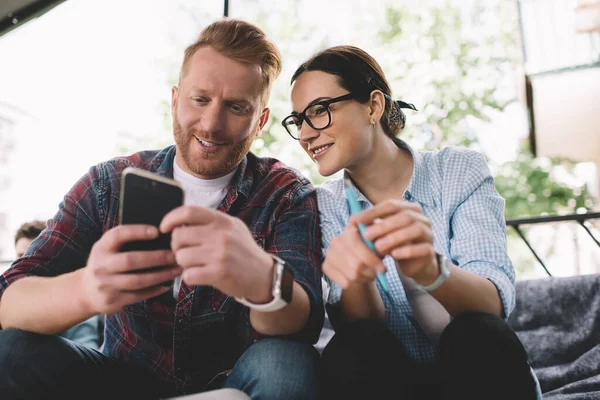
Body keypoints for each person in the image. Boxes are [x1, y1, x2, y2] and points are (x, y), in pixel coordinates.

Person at [0, 18, 323, 400]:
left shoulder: (285, 193)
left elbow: (303, 325)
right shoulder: (110, 182)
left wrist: (262, 281)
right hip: (120, 381)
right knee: (12, 352)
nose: (211, 123)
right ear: (175, 99)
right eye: (199, 99)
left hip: (232, 383)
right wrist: (85, 290)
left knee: (287, 361)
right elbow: (10, 301)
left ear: (261, 121)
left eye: (236, 107)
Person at [283, 45, 541, 400]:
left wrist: (430, 271)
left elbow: (493, 303)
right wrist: (358, 280)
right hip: (396, 383)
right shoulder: (322, 204)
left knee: (477, 332)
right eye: (298, 120)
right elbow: (359, 330)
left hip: (477, 374)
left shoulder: (458, 170)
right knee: (349, 348)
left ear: (373, 106)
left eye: (320, 111)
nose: (306, 134)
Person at [13, 220, 103, 349]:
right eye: (21, 256)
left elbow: (86, 349)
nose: (25, 264)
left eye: (32, 256)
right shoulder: (9, 299)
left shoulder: (73, 301)